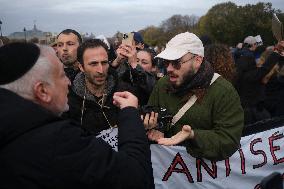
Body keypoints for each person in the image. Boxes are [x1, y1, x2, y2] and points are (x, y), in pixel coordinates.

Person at [0, 42, 154, 188]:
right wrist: (129, 114)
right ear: (42, 91)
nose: (68, 82)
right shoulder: (59, 140)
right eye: (61, 75)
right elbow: (135, 178)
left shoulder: (15, 127)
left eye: (104, 62)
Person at [144, 32, 244, 161]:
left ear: (197, 60)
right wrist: (154, 127)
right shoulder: (163, 84)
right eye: (166, 62)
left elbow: (229, 140)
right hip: (167, 171)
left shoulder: (223, 91)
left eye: (176, 62)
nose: (168, 69)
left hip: (203, 175)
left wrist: (192, 136)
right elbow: (153, 111)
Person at [64, 39, 139, 134]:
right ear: (81, 67)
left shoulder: (124, 92)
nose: (101, 70)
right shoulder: (68, 100)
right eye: (93, 64)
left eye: (104, 63)